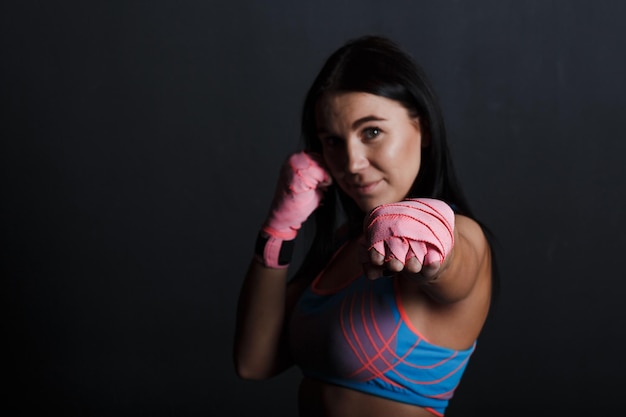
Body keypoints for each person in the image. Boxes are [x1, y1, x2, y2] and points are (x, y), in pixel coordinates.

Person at [234, 35, 497, 417]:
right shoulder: (345, 244)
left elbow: (455, 260)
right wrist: (278, 233)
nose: (352, 162)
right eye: (333, 141)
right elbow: (253, 362)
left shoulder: (461, 232)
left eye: (371, 131)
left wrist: (431, 237)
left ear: (420, 126)